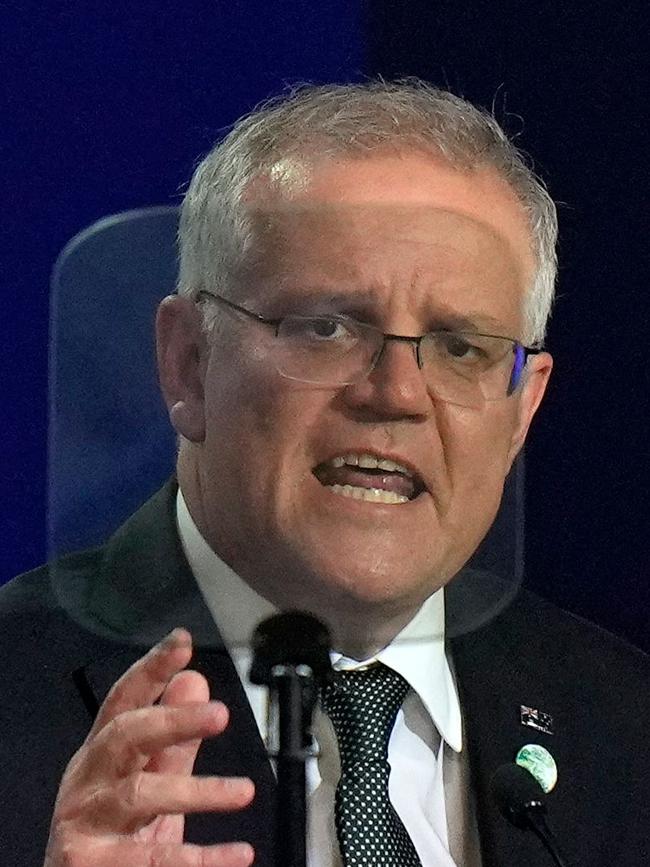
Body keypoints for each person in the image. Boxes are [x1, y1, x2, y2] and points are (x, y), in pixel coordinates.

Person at [1, 80, 648, 867]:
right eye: (326, 326)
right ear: (189, 363)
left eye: (461, 347)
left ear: (522, 410)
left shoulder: (625, 730)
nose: (396, 394)